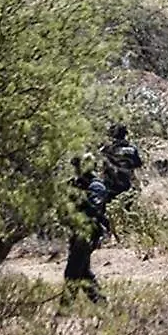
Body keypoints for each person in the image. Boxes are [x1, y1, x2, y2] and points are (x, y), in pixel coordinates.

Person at [60, 154, 111, 311]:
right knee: (83, 272)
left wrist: (78, 196)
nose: (77, 169)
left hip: (89, 232)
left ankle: (64, 310)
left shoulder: (96, 186)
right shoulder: (76, 184)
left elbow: (94, 209)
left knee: (72, 272)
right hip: (77, 231)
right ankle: (102, 304)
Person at [101, 123, 143, 202]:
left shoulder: (107, 149)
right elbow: (138, 164)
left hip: (110, 186)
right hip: (126, 185)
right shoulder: (132, 149)